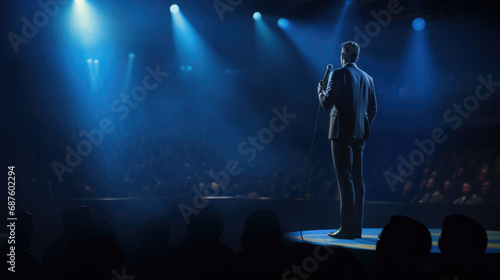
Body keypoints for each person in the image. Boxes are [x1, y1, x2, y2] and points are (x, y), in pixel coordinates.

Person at [317, 41, 377, 239]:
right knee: (357, 180)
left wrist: (320, 89)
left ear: (342, 55)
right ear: (357, 57)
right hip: (360, 134)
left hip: (341, 132)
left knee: (345, 180)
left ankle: (346, 229)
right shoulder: (368, 78)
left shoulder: (338, 73)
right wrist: (362, 124)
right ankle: (356, 229)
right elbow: (373, 108)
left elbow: (326, 104)